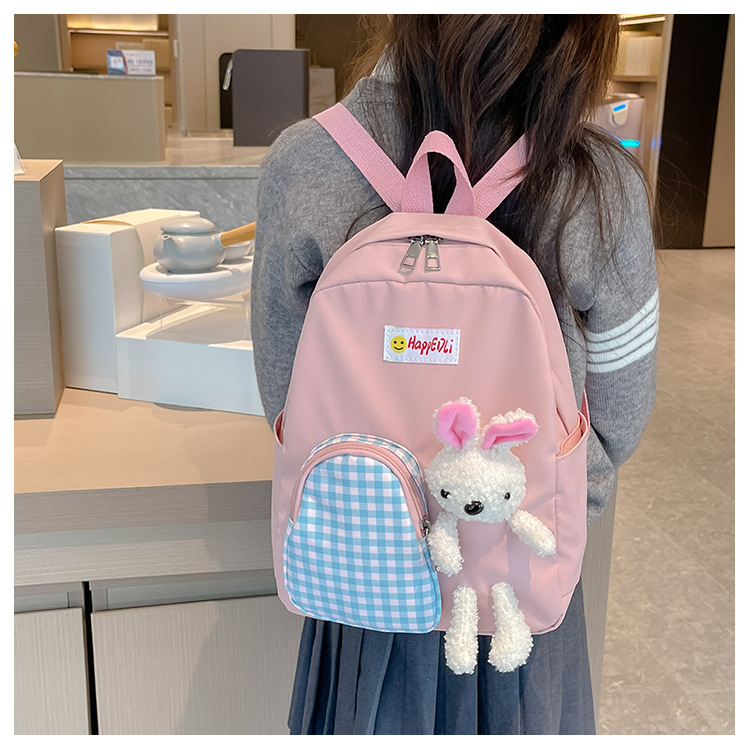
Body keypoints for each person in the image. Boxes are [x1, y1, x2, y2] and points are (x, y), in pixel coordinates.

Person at [251, 15, 658, 735]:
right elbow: (620, 417)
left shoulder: (304, 160)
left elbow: (286, 399)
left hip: (360, 582)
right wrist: (524, 507)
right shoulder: (598, 180)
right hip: (514, 604)